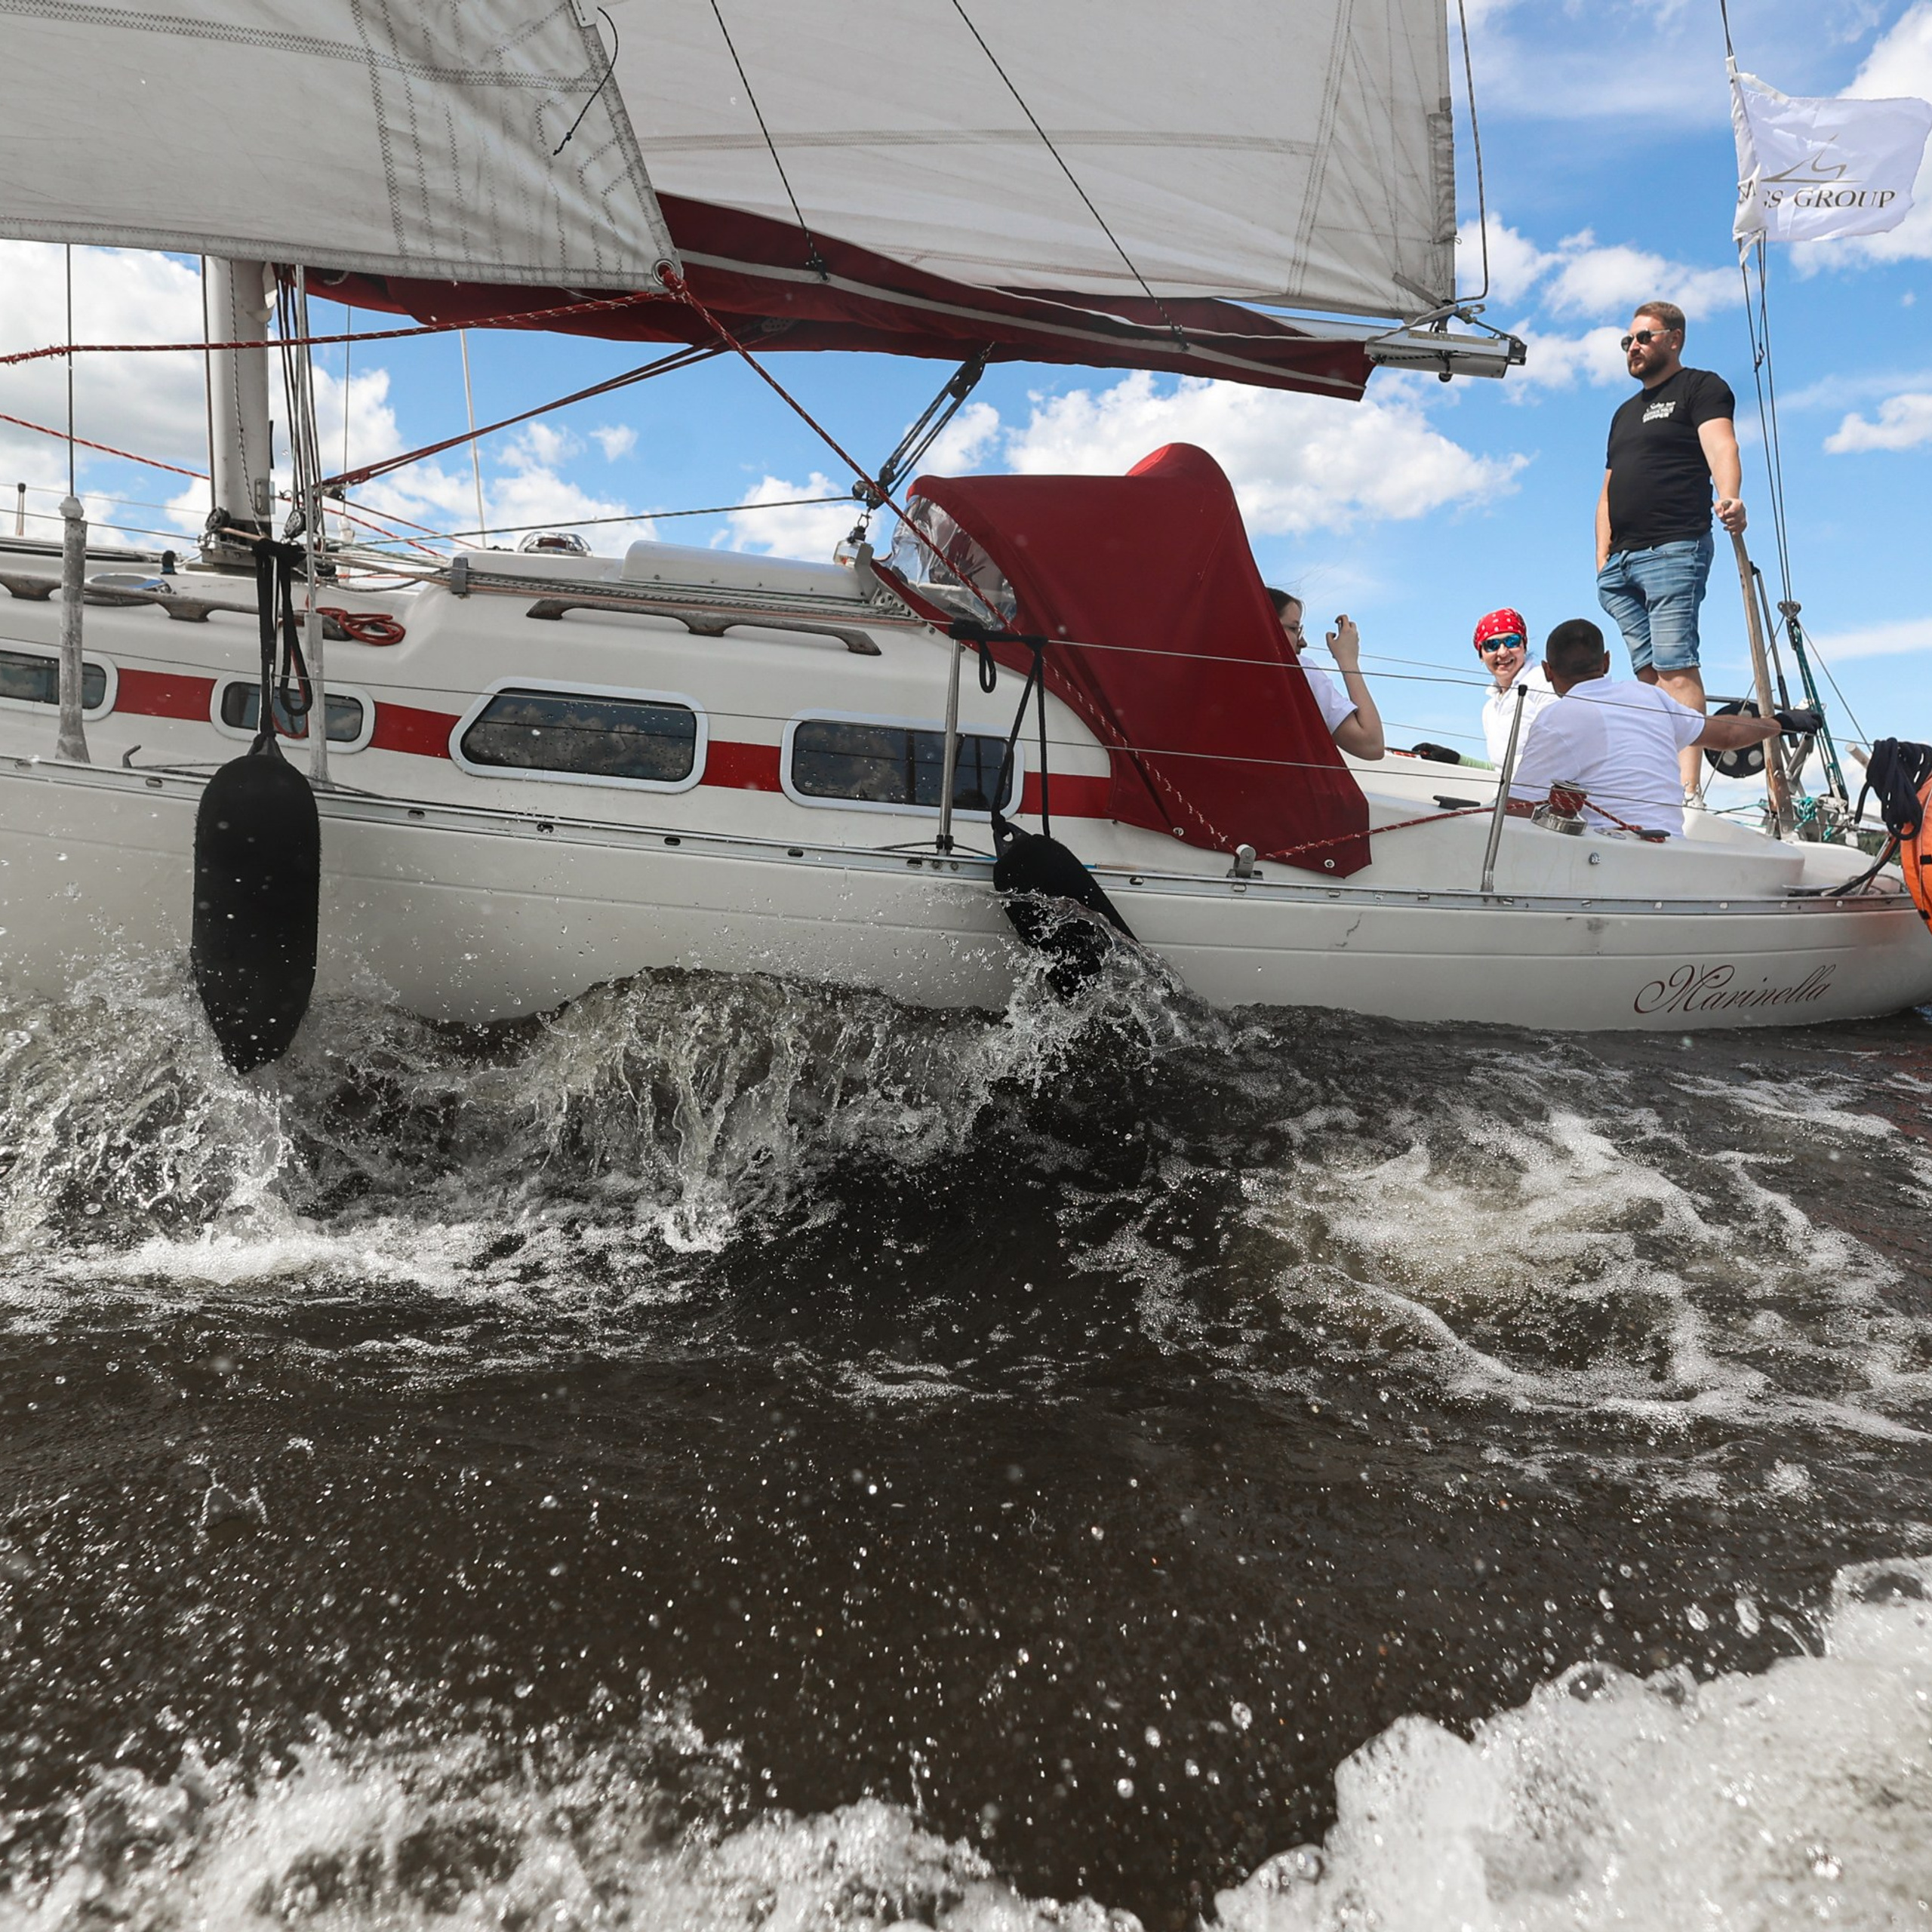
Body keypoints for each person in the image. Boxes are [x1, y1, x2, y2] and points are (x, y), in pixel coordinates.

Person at [1595, 299, 1747, 798]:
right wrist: (1603, 558)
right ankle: (1654, 777)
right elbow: (1608, 487)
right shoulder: (1622, 414)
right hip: (1620, 566)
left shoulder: (1700, 387)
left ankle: (1686, 789)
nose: (1633, 348)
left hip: (1674, 546)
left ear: (1674, 339)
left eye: (1643, 338)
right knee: (1646, 678)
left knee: (1675, 668)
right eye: (1627, 342)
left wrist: (1730, 497)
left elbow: (1722, 445)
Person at [1510, 618, 1801, 838]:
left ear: (1548, 671)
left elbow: (1516, 810)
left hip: (1605, 860)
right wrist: (1782, 723)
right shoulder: (1648, 696)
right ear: (1607, 661)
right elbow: (1727, 735)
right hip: (1671, 848)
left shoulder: (1557, 718)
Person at [1266, 588, 1384, 759]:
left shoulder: (1218, 663)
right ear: (1267, 624)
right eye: (1293, 628)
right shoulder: (1299, 672)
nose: (1303, 642)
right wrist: (1348, 660)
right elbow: (1371, 745)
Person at [1473, 607, 1558, 765]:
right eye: (1492, 645)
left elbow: (1561, 749)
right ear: (1481, 655)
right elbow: (1501, 771)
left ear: (1524, 646)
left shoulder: (1543, 681)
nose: (1503, 652)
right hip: (1509, 789)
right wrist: (1458, 760)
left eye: (1512, 641)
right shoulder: (1490, 709)